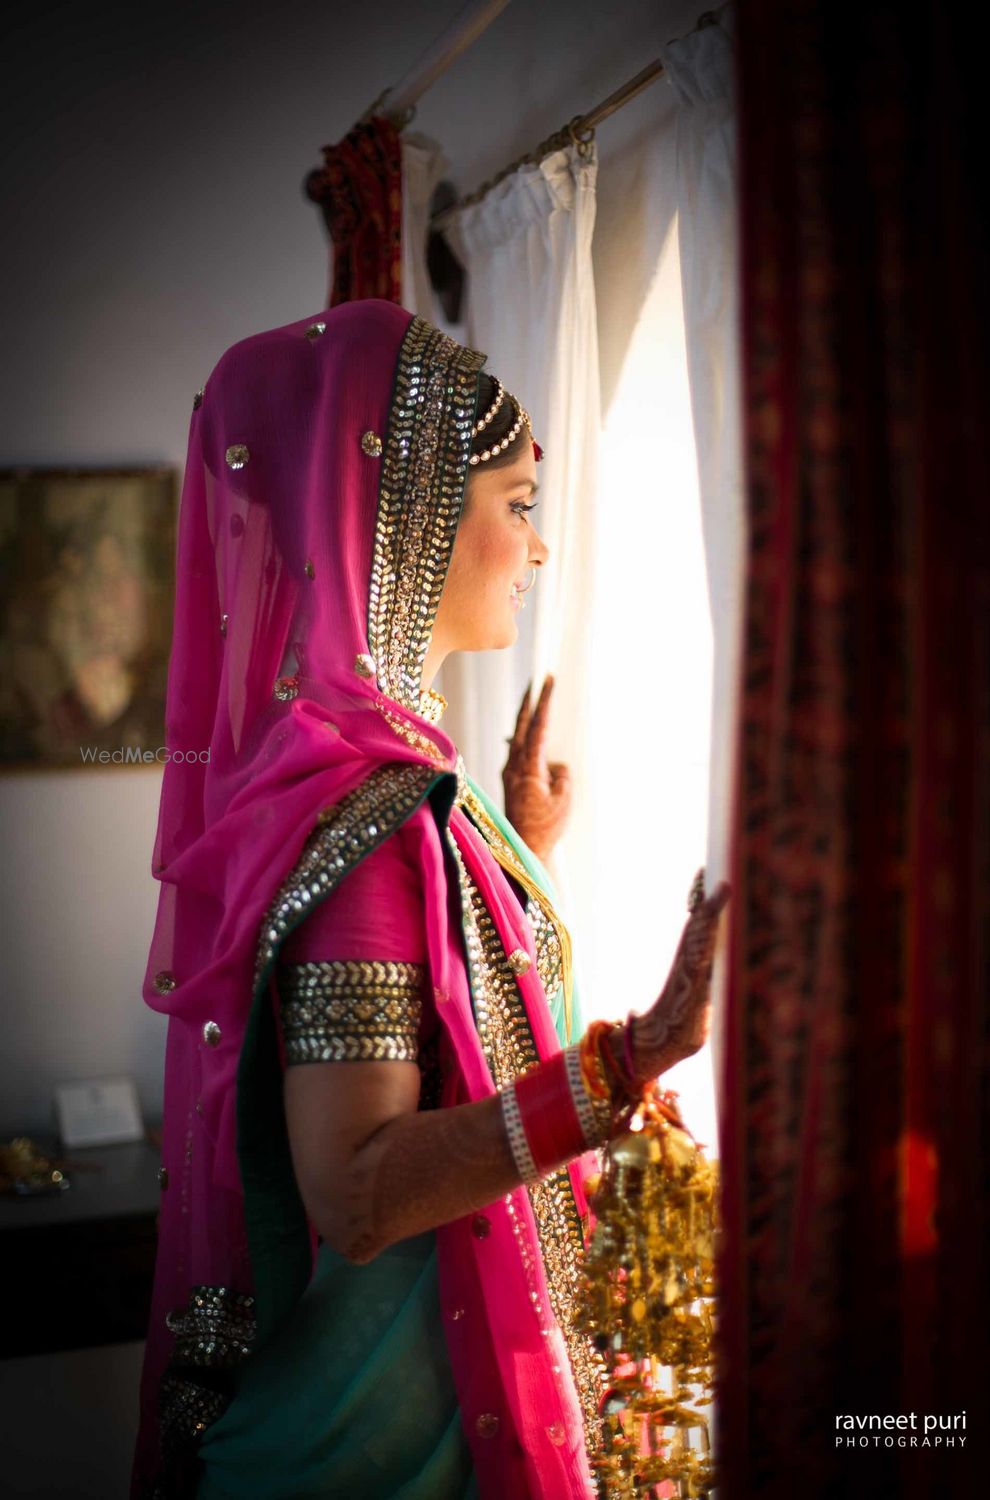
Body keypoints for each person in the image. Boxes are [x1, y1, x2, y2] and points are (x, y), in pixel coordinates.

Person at [131, 298, 729, 1500]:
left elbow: (442, 1022)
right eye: (519, 506)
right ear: (405, 528)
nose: (540, 547)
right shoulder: (375, 823)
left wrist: (521, 853)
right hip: (366, 1459)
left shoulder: (392, 796)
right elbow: (356, 1193)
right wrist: (636, 1058)